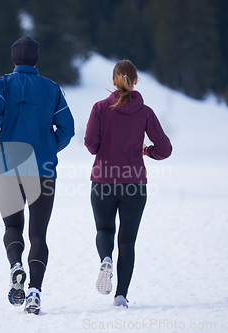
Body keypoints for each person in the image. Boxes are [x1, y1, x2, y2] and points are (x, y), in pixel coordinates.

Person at [0, 36, 74, 315]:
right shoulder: (52, 88)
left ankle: (15, 266)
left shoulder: (2, 84)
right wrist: (48, 147)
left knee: (12, 228)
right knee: (39, 235)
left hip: (9, 168)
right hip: (43, 171)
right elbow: (67, 129)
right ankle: (34, 293)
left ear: (14, 59)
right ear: (36, 60)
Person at [84, 59, 172, 307]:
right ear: (135, 82)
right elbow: (165, 149)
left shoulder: (100, 108)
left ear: (113, 81)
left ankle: (105, 258)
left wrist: (104, 148)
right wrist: (146, 151)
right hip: (134, 184)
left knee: (104, 230)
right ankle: (120, 296)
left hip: (102, 180)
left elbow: (91, 145)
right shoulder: (145, 112)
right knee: (127, 241)